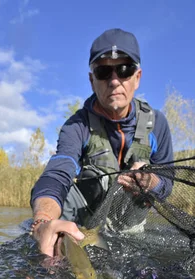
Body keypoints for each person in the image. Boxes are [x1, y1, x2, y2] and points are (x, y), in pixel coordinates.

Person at [30, 28, 174, 257]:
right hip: (82, 225)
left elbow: (168, 182)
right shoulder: (76, 125)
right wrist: (42, 221)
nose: (114, 81)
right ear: (91, 80)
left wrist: (152, 182)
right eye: (103, 71)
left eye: (124, 70)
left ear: (137, 78)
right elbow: (58, 172)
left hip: (130, 227)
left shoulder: (157, 124)